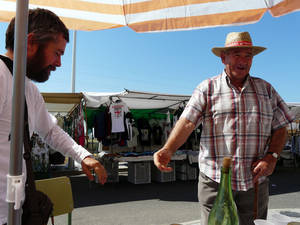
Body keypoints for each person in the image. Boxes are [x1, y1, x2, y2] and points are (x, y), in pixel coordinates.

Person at [154, 31, 294, 225]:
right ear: (223, 57)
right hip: (215, 180)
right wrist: (168, 149)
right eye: (237, 54)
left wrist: (272, 157)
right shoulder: (207, 88)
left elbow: (281, 127)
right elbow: (187, 122)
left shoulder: (266, 90)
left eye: (248, 55)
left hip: (254, 182)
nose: (243, 60)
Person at [0, 8, 107, 224]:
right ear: (30, 42)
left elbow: (49, 130)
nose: (59, 63)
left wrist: (82, 155)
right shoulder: (1, 76)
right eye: (57, 53)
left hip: (15, 211)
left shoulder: (28, 89)